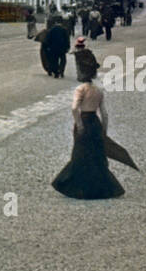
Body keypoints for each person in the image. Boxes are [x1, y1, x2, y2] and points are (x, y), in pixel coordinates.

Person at [52, 60, 124, 200]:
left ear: (83, 73)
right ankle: (101, 188)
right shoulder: (98, 90)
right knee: (96, 155)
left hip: (84, 121)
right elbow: (104, 113)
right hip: (95, 123)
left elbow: (74, 108)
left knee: (80, 154)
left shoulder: (80, 90)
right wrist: (104, 130)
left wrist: (79, 125)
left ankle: (77, 187)